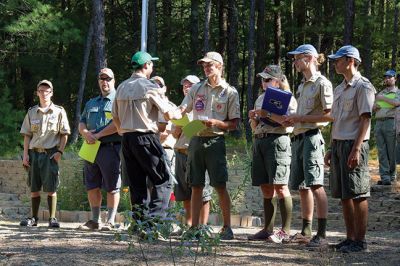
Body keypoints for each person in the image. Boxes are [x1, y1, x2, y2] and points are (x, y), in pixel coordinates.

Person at [111, 51, 181, 221]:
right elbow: (170, 114)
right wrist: (182, 110)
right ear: (146, 65)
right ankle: (155, 221)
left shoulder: (121, 87)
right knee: (163, 179)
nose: (152, 67)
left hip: (127, 139)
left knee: (137, 183)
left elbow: (114, 116)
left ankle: (140, 223)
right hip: (146, 138)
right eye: (151, 64)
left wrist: (123, 131)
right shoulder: (149, 86)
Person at [180, 52, 240, 240]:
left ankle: (227, 227)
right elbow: (184, 108)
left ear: (220, 66)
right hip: (196, 140)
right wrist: (173, 113)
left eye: (209, 65)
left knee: (219, 185)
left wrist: (216, 123)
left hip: (215, 141)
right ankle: (195, 229)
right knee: (195, 186)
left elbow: (234, 124)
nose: (206, 68)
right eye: (204, 65)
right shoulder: (196, 88)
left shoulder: (230, 92)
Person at [325, 45, 375, 253]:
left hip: (355, 144)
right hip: (338, 144)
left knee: (358, 192)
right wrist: (330, 146)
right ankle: (350, 237)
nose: (335, 62)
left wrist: (356, 149)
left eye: (338, 59)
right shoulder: (339, 88)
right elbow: (336, 120)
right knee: (344, 193)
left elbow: (365, 119)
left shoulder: (363, 86)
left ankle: (360, 241)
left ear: (350, 61)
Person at [284, 44, 333, 247]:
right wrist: (291, 120)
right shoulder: (303, 85)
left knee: (316, 185)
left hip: (313, 137)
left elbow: (330, 115)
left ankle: (321, 235)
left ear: (308, 58)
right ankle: (306, 230)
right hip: (299, 137)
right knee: (303, 187)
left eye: (296, 58)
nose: (294, 62)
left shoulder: (323, 83)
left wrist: (300, 118)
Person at [248, 65, 297, 243]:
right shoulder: (261, 98)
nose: (264, 82)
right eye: (262, 79)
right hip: (260, 140)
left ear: (277, 81)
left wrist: (266, 113)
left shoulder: (288, 98)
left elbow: (289, 122)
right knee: (265, 186)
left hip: (278, 141)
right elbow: (254, 126)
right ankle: (267, 229)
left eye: (268, 79)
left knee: (280, 185)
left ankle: (285, 231)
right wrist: (253, 118)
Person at [20, 80, 70, 228]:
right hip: (34, 154)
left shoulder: (59, 111)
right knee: (34, 188)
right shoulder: (31, 112)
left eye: (47, 91)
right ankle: (34, 218)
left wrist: (59, 152)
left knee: (51, 188)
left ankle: (52, 218)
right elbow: (27, 135)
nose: (44, 93)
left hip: (51, 154)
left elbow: (64, 134)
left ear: (52, 93)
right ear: (37, 93)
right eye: (41, 91)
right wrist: (25, 155)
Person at [79, 68, 121, 230]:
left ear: (114, 80)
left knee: (112, 186)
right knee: (91, 185)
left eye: (108, 78)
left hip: (111, 148)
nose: (105, 81)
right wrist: (85, 133)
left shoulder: (119, 100)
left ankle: (110, 221)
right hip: (90, 147)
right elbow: (82, 121)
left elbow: (118, 124)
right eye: (101, 79)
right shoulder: (91, 102)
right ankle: (95, 220)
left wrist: (98, 135)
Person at [173, 75, 212, 227]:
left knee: (203, 192)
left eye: (190, 85)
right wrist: (178, 128)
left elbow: (206, 126)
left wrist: (188, 128)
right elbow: (175, 135)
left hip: (197, 153)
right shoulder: (180, 110)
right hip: (181, 152)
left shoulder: (204, 105)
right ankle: (188, 225)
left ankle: (202, 226)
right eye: (184, 86)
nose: (187, 88)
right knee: (184, 193)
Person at [373, 70, 399, 185]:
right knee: (382, 151)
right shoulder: (381, 92)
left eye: (390, 77)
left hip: (390, 122)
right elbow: (373, 107)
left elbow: (396, 103)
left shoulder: (397, 92)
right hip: (379, 122)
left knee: (391, 150)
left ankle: (392, 175)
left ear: (395, 79)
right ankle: (385, 177)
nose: (387, 79)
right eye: (386, 77)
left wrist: (382, 99)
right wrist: (375, 106)